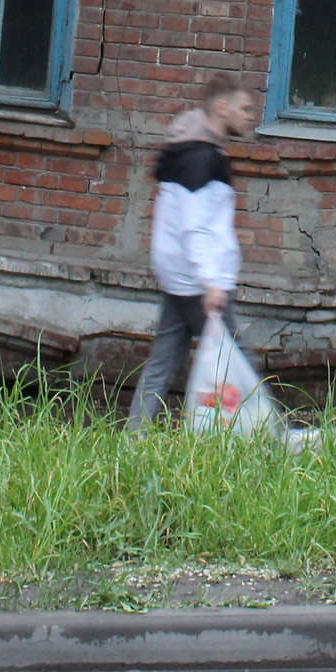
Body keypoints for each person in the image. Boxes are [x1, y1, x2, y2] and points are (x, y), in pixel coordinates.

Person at [126, 73, 260, 431]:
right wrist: (211, 282)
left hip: (178, 276)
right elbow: (195, 226)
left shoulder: (187, 150)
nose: (251, 116)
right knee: (239, 360)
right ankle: (266, 435)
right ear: (221, 107)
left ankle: (132, 439)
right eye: (244, 108)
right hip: (200, 281)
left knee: (163, 361)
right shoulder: (201, 159)